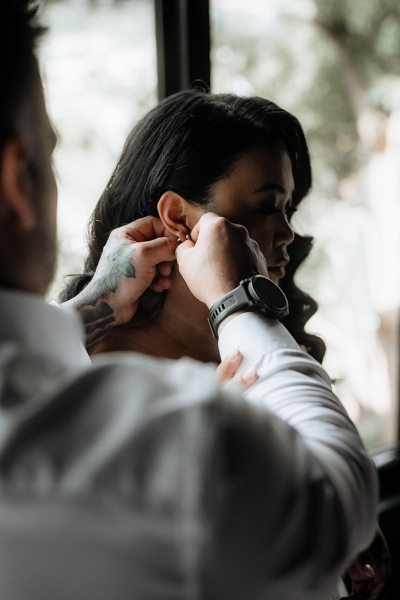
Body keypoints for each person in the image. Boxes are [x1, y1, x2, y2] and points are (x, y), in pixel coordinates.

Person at [0, 1, 380, 599]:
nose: (286, 235)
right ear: (179, 219)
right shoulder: (150, 415)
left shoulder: (273, 355)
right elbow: (336, 500)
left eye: (288, 209)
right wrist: (240, 301)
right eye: (263, 208)